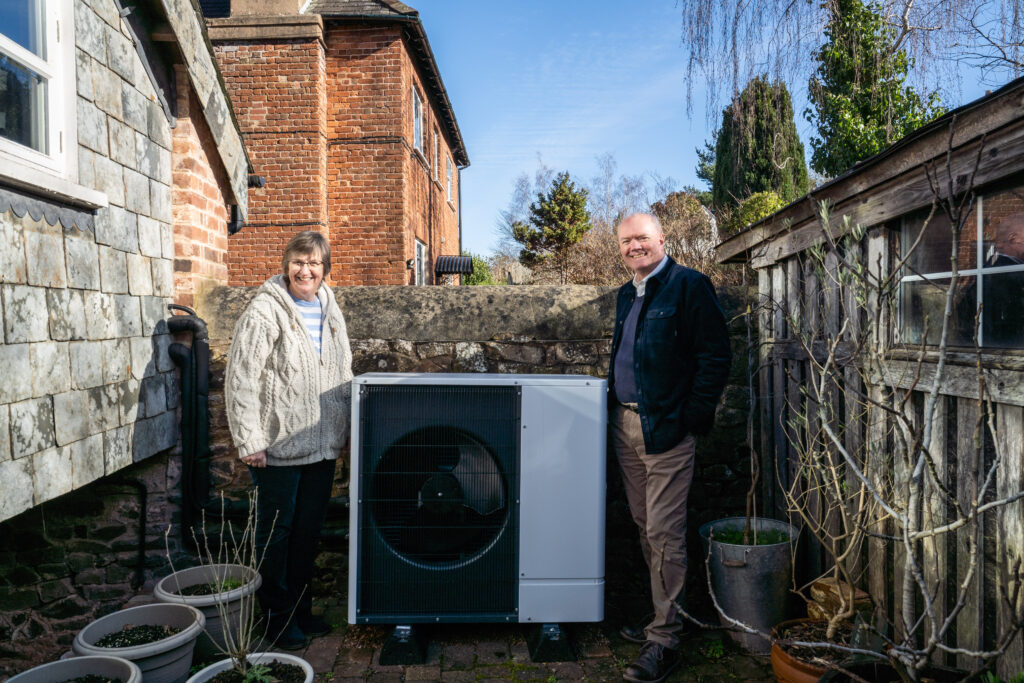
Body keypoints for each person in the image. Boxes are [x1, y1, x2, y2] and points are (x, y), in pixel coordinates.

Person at [608, 213, 731, 683]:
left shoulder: (689, 286)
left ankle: (664, 641)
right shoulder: (627, 293)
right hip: (625, 427)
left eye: (642, 238)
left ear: (662, 239)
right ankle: (662, 619)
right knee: (645, 528)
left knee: (664, 533)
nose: (634, 247)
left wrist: (693, 418)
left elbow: (716, 356)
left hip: (667, 431)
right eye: (626, 241)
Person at [225, 230, 353, 650]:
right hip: (277, 447)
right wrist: (249, 439)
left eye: (314, 263)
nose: (306, 270)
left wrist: (348, 431)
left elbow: (344, 372)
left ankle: (301, 610)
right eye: (299, 261)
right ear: (287, 265)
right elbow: (241, 377)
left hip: (321, 446)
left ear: (324, 269)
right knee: (275, 536)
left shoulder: (331, 310)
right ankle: (277, 619)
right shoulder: (266, 311)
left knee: (307, 534)